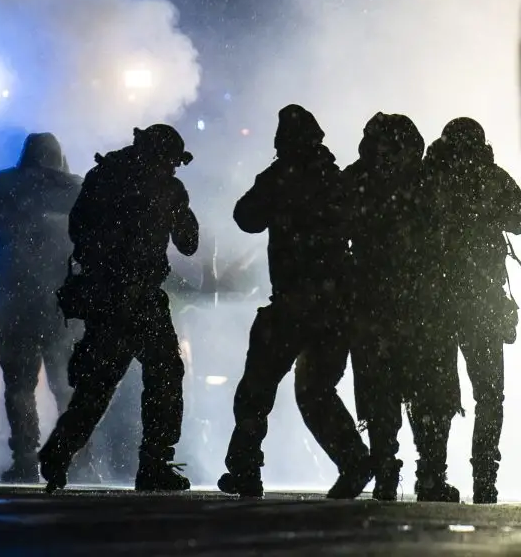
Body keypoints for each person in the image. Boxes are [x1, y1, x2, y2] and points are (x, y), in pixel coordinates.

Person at [217, 105, 371, 500]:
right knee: (316, 391)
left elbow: (246, 216)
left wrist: (278, 184)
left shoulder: (283, 177)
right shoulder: (335, 179)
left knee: (257, 388)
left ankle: (246, 468)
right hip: (334, 305)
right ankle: (354, 460)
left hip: (295, 304)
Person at [38, 124, 199, 493]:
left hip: (108, 298)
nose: (173, 168)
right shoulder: (166, 188)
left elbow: (78, 231)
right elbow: (188, 243)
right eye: (172, 162)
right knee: (162, 377)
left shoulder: (104, 177)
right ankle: (153, 462)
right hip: (136, 298)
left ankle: (60, 453)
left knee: (100, 383)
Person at [421, 118, 521, 504]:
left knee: (437, 395)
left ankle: (431, 475)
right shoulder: (490, 178)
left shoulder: (432, 178)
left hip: (438, 304)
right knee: (489, 395)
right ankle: (484, 478)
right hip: (479, 303)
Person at [0, 132, 83, 483]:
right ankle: (72, 459)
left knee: (19, 385)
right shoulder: (76, 187)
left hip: (14, 299)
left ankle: (25, 458)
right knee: (66, 385)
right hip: (61, 303)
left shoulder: (4, 183)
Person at [341, 113, 426, 501]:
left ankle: (390, 467)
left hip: (383, 297)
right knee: (411, 387)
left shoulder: (359, 178)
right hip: (406, 298)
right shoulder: (419, 179)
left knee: (383, 388)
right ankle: (420, 471)